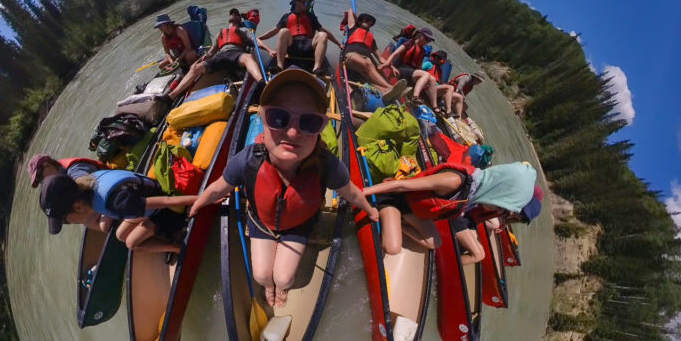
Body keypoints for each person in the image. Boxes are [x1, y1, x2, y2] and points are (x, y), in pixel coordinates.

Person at [190, 68, 378, 308]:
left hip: (299, 225)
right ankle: (269, 288)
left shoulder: (326, 165)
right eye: (279, 118)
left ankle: (279, 287)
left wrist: (370, 211)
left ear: (321, 127)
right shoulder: (248, 159)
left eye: (309, 122)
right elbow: (219, 187)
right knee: (262, 276)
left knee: (284, 277)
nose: (292, 133)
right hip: (261, 221)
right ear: (262, 119)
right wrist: (198, 203)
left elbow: (349, 192)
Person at [362, 161, 538, 257]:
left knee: (435, 243)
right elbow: (401, 186)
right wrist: (363, 193)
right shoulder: (455, 181)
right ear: (497, 190)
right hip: (394, 199)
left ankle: (395, 224)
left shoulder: (476, 196)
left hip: (412, 212)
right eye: (500, 205)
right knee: (392, 248)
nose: (497, 211)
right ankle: (385, 215)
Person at [39, 170, 198, 254]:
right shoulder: (89, 182)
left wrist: (200, 199)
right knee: (120, 235)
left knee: (132, 243)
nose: (70, 224)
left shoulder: (114, 204)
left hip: (164, 211)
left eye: (66, 220)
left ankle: (178, 248)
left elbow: (165, 202)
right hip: (142, 198)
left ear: (78, 206)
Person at [164, 8, 273, 101]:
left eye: (236, 14)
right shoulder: (220, 32)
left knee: (248, 57)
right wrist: (200, 60)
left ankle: (261, 84)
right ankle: (171, 97)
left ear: (239, 19)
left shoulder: (242, 30)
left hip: (237, 54)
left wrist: (269, 49)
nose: (233, 15)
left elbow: (255, 41)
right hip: (220, 56)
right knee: (195, 68)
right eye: (231, 14)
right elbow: (211, 52)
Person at [258, 0, 341, 77]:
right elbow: (273, 31)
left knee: (323, 34)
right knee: (283, 31)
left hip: (308, 46)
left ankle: (316, 69)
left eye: (308, 3)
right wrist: (260, 38)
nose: (308, 5)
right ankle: (280, 66)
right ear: (297, 2)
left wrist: (338, 43)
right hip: (292, 46)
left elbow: (324, 30)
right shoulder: (286, 17)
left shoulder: (311, 17)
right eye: (305, 2)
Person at [340, 10, 407, 102]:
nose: (369, 22)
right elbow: (350, 11)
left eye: (371, 22)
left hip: (362, 63)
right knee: (369, 63)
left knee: (371, 80)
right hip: (350, 57)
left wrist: (392, 67)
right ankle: (390, 87)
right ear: (359, 21)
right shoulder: (353, 28)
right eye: (367, 20)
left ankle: (385, 91)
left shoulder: (372, 39)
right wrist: (355, 18)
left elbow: (380, 58)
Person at [384, 27, 440, 110]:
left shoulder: (423, 51)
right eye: (426, 38)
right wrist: (388, 64)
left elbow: (419, 68)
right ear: (419, 35)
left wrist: (424, 81)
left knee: (432, 79)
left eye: (429, 40)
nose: (427, 41)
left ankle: (435, 107)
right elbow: (394, 54)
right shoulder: (409, 43)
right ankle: (415, 97)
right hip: (402, 69)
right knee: (427, 74)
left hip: (411, 73)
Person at [27, 154, 103, 187]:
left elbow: (85, 182)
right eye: (39, 181)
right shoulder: (61, 173)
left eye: (40, 176)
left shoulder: (73, 169)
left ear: (48, 166)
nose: (42, 182)